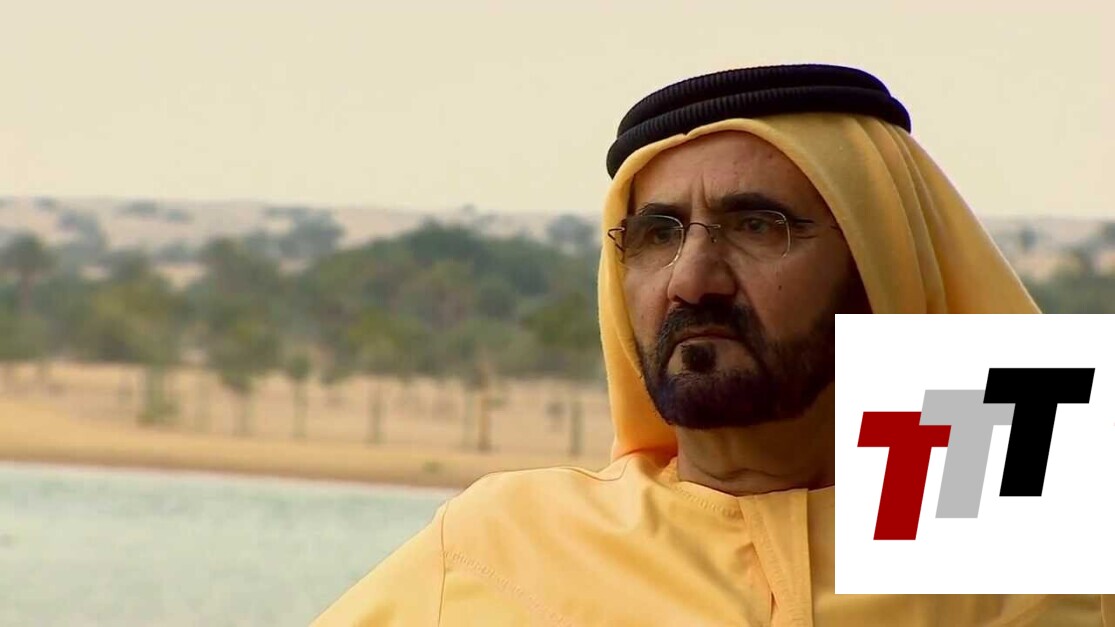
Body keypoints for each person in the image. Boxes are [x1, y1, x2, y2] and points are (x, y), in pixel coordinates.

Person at [313, 64, 1112, 626]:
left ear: (880, 265)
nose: (691, 280)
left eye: (758, 225)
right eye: (657, 235)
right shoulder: (507, 540)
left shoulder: (1035, 540)